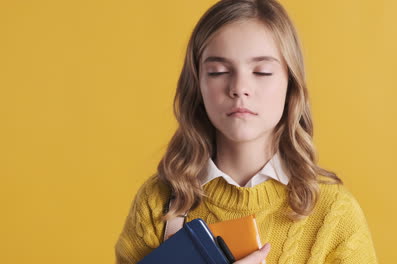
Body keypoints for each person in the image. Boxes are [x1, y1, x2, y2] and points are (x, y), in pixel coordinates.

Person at [114, 0, 379, 263]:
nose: (240, 87)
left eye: (262, 72)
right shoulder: (158, 203)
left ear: (291, 84)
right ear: (197, 85)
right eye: (218, 71)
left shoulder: (334, 213)